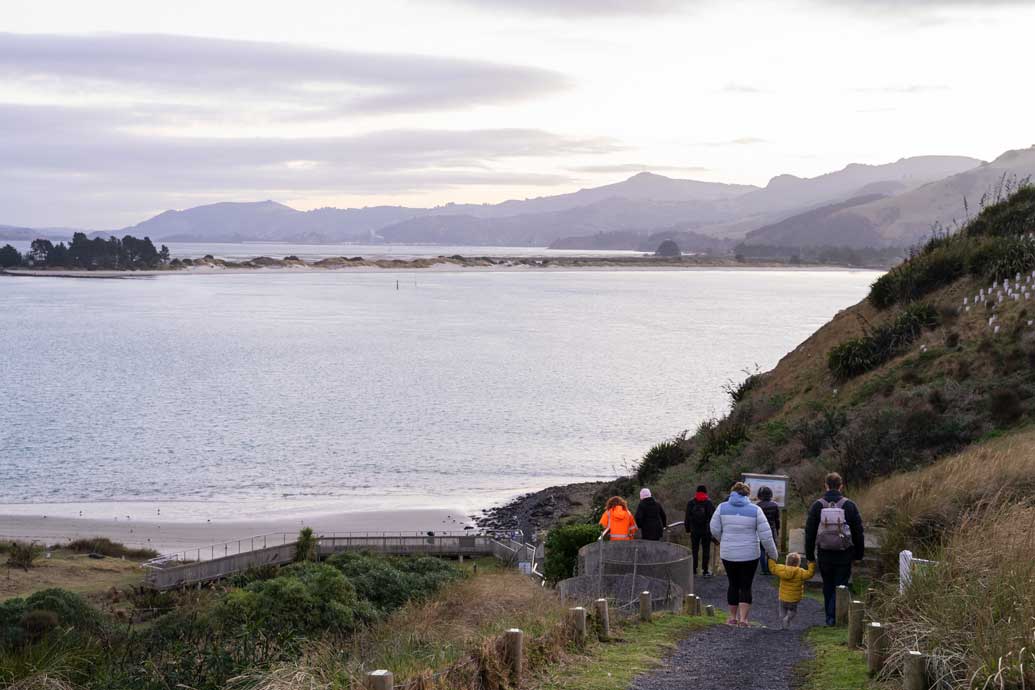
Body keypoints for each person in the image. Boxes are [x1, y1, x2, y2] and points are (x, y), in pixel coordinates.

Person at [710, 481, 778, 627]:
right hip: (750, 554)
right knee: (746, 585)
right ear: (747, 494)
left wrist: (725, 540)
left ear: (732, 492)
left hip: (728, 553)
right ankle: (743, 619)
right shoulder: (755, 510)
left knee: (733, 584)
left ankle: (732, 617)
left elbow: (714, 529)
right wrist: (773, 554)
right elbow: (766, 535)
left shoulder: (722, 508)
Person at [804, 472, 865, 626]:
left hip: (824, 553)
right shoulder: (849, 505)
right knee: (841, 585)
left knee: (828, 585)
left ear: (826, 486)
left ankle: (829, 617)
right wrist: (859, 554)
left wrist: (810, 555)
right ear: (841, 486)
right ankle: (835, 617)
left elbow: (810, 532)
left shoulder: (817, 505)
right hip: (845, 553)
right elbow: (858, 532)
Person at [768, 552, 815, 629]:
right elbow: (810, 574)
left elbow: (772, 568)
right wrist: (811, 564)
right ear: (798, 563)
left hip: (783, 597)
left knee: (782, 611)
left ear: (786, 561)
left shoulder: (782, 569)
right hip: (794, 599)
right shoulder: (801, 572)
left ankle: (783, 625)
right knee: (793, 611)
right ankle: (787, 619)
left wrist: (771, 558)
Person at [684, 484, 716, 577]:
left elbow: (687, 517)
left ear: (697, 492)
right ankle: (705, 571)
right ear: (706, 492)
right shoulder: (708, 502)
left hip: (694, 530)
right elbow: (713, 518)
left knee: (694, 550)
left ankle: (693, 570)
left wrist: (687, 529)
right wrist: (712, 531)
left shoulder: (691, 502)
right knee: (706, 550)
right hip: (706, 531)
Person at [756, 486, 780, 575]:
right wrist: (777, 529)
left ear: (760, 495)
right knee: (771, 549)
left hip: (760, 530)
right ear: (770, 494)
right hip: (771, 529)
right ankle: (771, 569)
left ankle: (764, 569)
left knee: (761, 549)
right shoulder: (775, 505)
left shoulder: (758, 506)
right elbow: (777, 520)